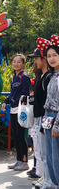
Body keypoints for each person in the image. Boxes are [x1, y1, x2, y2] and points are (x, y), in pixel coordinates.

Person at [2, 53, 31, 170]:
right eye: (14, 61)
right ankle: (18, 160)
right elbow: (13, 93)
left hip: (21, 111)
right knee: (16, 136)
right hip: (13, 110)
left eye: (19, 62)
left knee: (21, 136)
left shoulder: (24, 77)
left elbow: (26, 93)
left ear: (23, 64)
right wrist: (6, 101)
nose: (16, 64)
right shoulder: (15, 77)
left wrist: (21, 101)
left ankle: (25, 162)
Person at [28, 48, 52, 185]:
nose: (35, 61)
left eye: (37, 58)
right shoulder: (41, 77)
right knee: (39, 150)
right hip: (38, 118)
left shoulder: (48, 77)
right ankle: (43, 176)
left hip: (45, 118)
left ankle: (47, 179)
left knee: (46, 151)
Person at [42, 36, 59, 188]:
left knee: (56, 157)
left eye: (55, 55)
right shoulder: (51, 75)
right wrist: (44, 124)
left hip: (56, 118)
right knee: (49, 155)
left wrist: (57, 124)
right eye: (49, 56)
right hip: (48, 117)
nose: (51, 58)